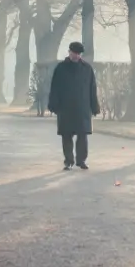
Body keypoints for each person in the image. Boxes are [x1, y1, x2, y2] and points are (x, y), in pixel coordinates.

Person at [47, 41, 99, 170]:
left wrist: (94, 106)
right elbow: (55, 88)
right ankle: (68, 160)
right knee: (67, 135)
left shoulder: (87, 69)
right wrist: (53, 104)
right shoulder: (61, 68)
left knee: (82, 135)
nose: (76, 56)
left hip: (82, 107)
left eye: (78, 54)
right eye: (74, 53)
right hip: (65, 107)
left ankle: (81, 160)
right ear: (69, 52)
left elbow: (92, 88)